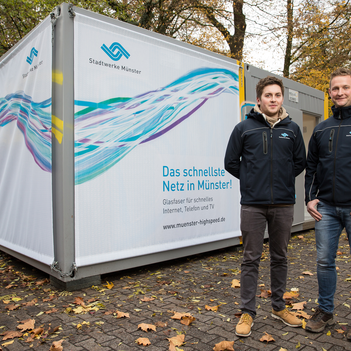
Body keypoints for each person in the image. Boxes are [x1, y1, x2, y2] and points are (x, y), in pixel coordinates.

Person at [225, 76, 306, 337]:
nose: (273, 99)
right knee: (251, 258)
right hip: (252, 205)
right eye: (268, 95)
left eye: (277, 95)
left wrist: (280, 180)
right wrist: (252, 181)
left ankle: (279, 306)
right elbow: (231, 162)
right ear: (258, 99)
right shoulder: (244, 128)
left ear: (281, 98)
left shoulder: (292, 129)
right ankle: (248, 311)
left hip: (283, 204)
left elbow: (299, 161)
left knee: (280, 256)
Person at [305, 67, 351, 338]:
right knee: (324, 261)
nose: (340, 92)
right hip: (328, 210)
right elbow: (311, 166)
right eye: (335, 88)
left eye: (345, 87)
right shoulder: (322, 129)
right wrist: (311, 197)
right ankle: (325, 312)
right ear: (330, 92)